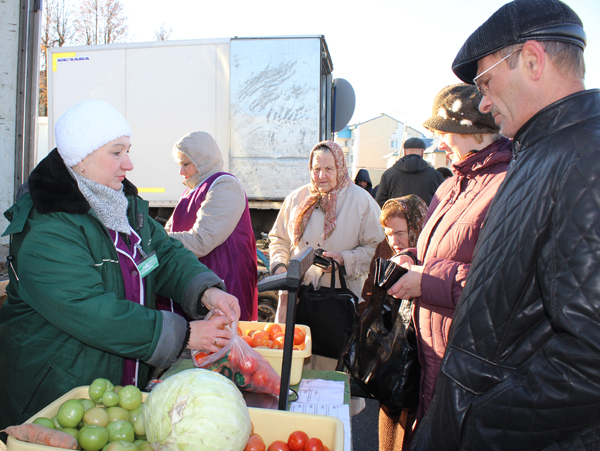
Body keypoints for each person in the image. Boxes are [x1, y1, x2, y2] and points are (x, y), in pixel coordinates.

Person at [410, 1, 600, 450]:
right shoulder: (541, 152)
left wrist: (477, 420)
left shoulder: (584, 159)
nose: (483, 102)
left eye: (486, 82)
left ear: (532, 61)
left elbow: (589, 356)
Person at [0, 100, 240, 432]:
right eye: (116, 153)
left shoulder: (121, 205)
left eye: (128, 150)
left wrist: (205, 290)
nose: (129, 163)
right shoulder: (47, 226)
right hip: (56, 393)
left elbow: (163, 255)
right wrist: (184, 334)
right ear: (80, 159)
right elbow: (89, 310)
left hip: (113, 387)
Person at [386, 83, 512, 449]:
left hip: (468, 358)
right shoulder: (451, 184)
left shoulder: (507, 185)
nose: (440, 143)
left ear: (475, 131)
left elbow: (506, 284)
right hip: (433, 350)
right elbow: (438, 251)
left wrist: (425, 281)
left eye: (445, 133)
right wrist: (411, 258)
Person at [268, 140, 384, 369]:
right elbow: (279, 239)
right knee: (294, 365)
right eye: (316, 168)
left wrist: (345, 259)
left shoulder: (362, 202)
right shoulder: (296, 198)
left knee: (332, 368)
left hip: (340, 304)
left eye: (329, 168)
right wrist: (280, 266)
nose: (321, 175)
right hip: (298, 298)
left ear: (340, 168)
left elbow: (378, 249)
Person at [165, 131, 258, 321]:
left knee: (222, 337)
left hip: (223, 283)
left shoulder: (224, 185)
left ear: (202, 160)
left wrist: (156, 239)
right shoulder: (191, 190)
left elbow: (202, 240)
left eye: (186, 164)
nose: (181, 171)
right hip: (201, 283)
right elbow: (170, 229)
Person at [360, 194, 427, 316]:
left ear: (417, 227)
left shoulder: (432, 254)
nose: (393, 242)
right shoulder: (384, 249)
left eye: (400, 234)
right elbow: (370, 292)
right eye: (389, 235)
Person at [375, 137, 443, 207]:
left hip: (395, 213)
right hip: (426, 214)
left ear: (404, 151)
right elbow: (442, 201)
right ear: (422, 152)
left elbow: (380, 202)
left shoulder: (389, 174)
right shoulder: (435, 175)